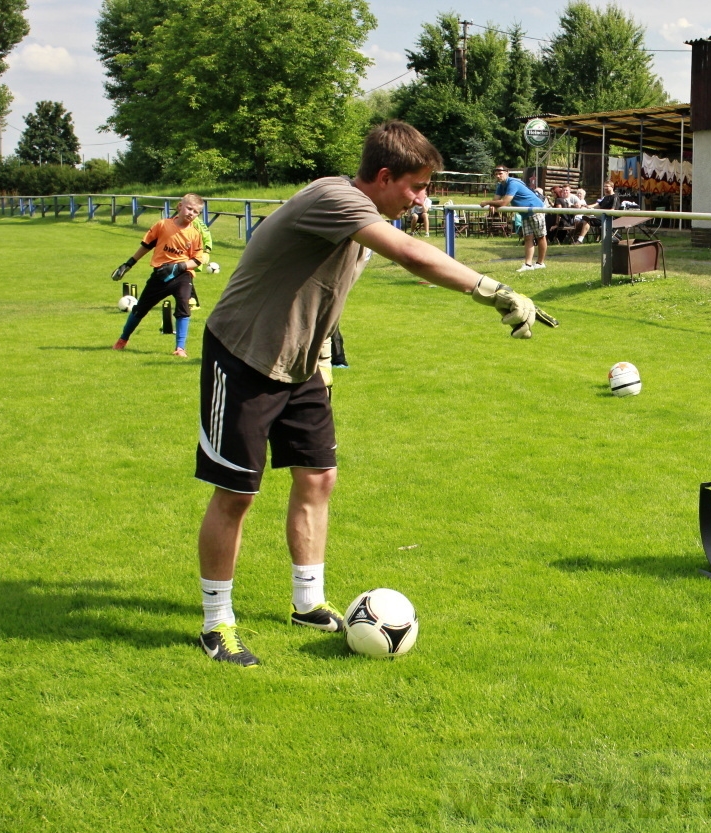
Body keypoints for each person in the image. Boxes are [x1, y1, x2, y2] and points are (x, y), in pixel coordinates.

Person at [194, 121, 541, 666]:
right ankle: (217, 624)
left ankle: (307, 603)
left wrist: (324, 355)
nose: (423, 198)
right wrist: (494, 290)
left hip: (303, 363)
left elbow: (320, 292)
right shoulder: (335, 199)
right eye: (417, 186)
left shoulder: (368, 213)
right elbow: (412, 255)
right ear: (383, 177)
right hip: (244, 354)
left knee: (319, 475)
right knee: (237, 493)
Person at [110, 193, 205, 357]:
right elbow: (146, 246)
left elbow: (197, 260)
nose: (191, 213)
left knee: (183, 305)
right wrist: (128, 264)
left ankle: (180, 348)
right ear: (179, 206)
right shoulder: (162, 225)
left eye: (196, 212)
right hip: (160, 275)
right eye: (189, 208)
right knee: (140, 309)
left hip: (182, 276)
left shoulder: (195, 234)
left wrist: (179, 267)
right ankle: (123, 339)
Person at [481, 165, 548, 272]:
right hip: (525, 212)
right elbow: (496, 200)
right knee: (528, 238)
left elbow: (504, 202)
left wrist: (487, 203)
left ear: (507, 172)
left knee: (540, 236)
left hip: (535, 209)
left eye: (500, 173)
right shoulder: (501, 186)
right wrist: (493, 205)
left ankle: (540, 263)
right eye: (496, 174)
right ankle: (528, 264)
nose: (498, 176)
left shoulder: (513, 183)